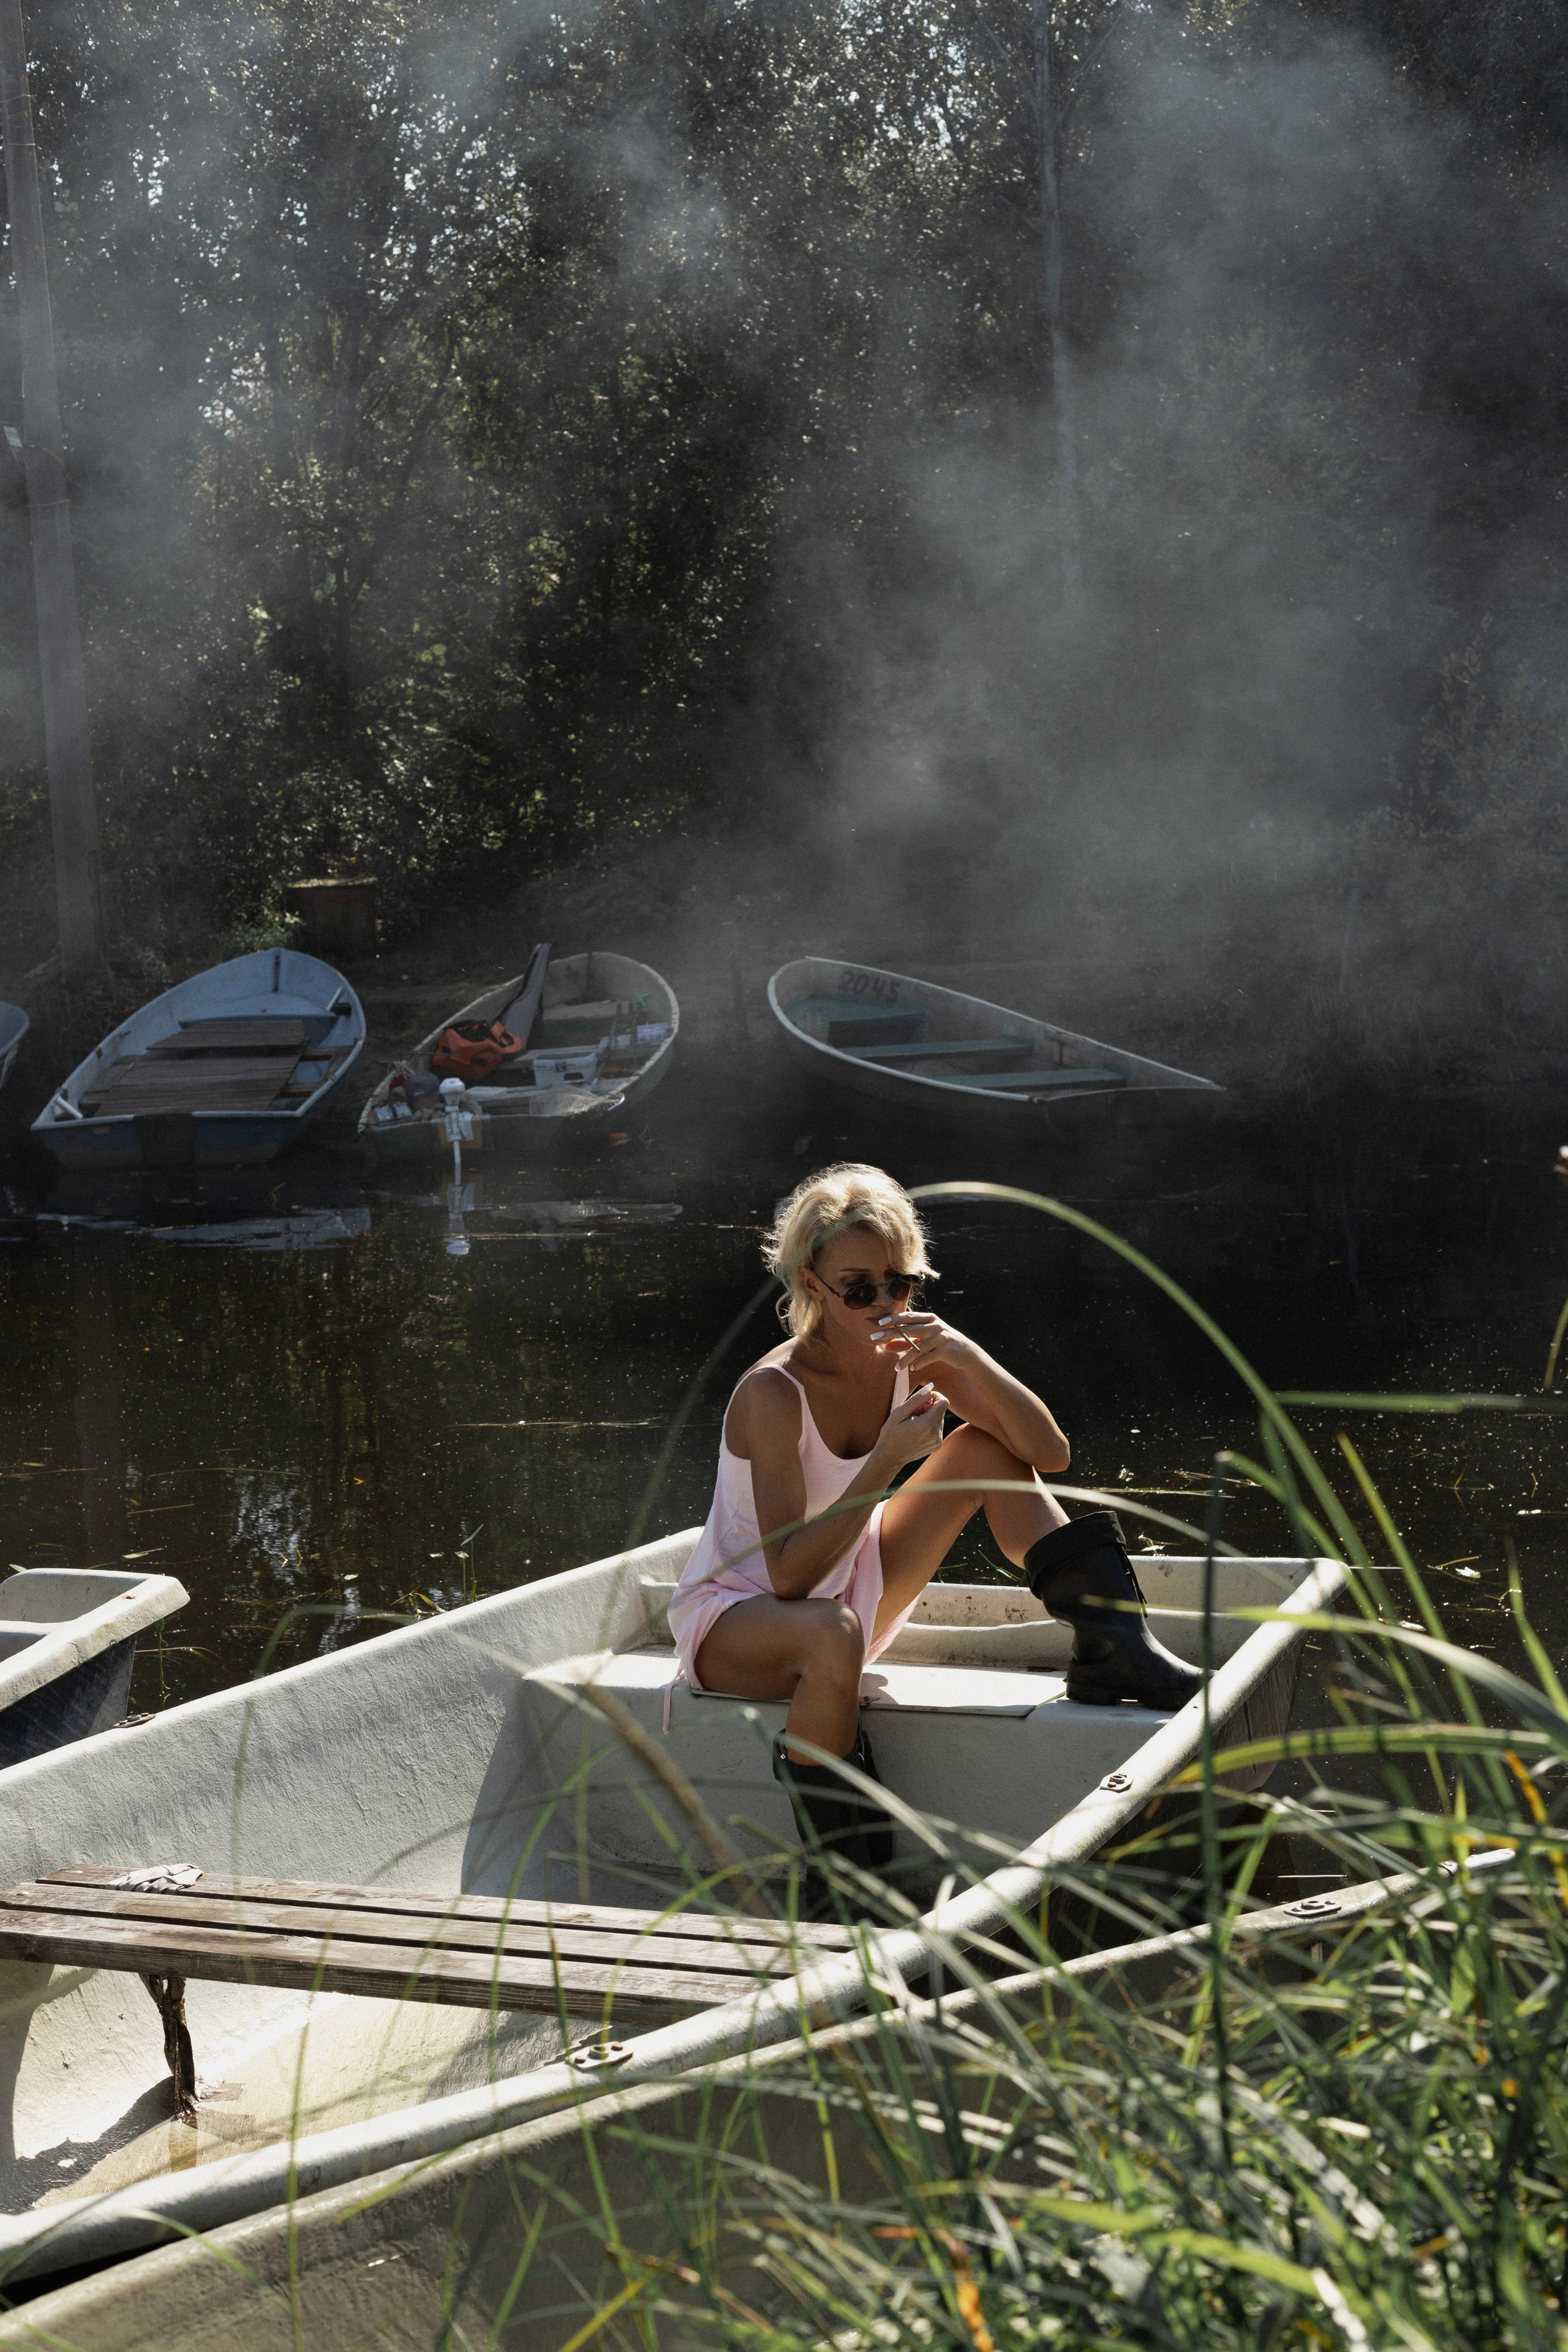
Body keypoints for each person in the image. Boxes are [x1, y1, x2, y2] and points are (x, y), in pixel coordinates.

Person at [666, 1163, 1201, 1899]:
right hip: (739, 1621)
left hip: (848, 1594)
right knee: (829, 1631)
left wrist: (965, 1354)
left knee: (984, 1449)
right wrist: (888, 1458)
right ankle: (839, 1873)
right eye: (859, 1287)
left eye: (901, 1282)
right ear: (812, 1285)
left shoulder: (910, 1356)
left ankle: (1113, 1647)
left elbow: (1048, 1454)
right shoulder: (775, 1391)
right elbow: (787, 1577)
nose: (885, 1302)